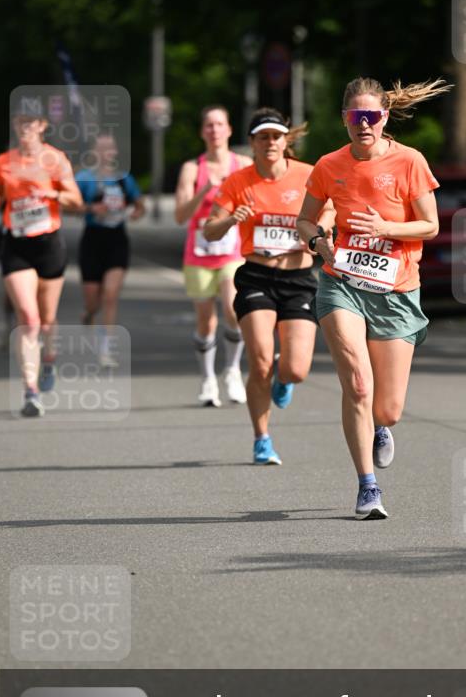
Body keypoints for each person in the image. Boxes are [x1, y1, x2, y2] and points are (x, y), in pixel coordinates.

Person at [297, 77, 450, 519]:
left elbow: (430, 226)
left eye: (371, 116)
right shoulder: (329, 165)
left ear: (384, 117)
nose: (363, 124)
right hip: (341, 282)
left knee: (389, 407)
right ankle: (367, 486)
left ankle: (381, 427)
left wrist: (385, 229)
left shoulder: (410, 162)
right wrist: (317, 243)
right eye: (354, 117)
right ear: (344, 119)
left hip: (396, 290)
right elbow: (305, 221)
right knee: (357, 384)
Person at [204, 108, 334, 465]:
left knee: (296, 369)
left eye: (277, 136)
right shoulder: (238, 181)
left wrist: (322, 228)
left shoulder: (308, 175)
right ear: (252, 143)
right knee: (260, 360)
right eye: (263, 137)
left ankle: (284, 377)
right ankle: (262, 438)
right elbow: (208, 230)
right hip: (257, 276)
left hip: (299, 278)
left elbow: (330, 209)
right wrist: (232, 219)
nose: (270, 143)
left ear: (286, 140)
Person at [0, 105, 83, 416]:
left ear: (41, 126)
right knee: (28, 317)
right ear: (15, 125)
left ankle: (49, 359)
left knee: (48, 318)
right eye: (20, 122)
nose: (25, 127)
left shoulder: (55, 159)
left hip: (48, 243)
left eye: (31, 122)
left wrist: (53, 195)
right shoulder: (3, 162)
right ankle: (31, 391)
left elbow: (76, 201)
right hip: (15, 244)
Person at [175, 105, 251, 406]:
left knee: (233, 308)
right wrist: (205, 188)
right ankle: (208, 379)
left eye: (220, 124)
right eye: (209, 125)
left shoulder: (242, 163)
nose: (214, 130)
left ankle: (232, 370)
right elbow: (180, 216)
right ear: (202, 131)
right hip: (199, 252)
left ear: (229, 130)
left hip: (232, 250)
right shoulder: (192, 169)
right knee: (206, 322)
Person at [74, 133, 145, 367]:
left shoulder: (124, 178)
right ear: (94, 152)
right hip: (92, 240)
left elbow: (139, 204)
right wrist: (92, 208)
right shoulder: (84, 178)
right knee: (93, 300)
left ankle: (105, 349)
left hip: (117, 239)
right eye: (101, 148)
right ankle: (88, 314)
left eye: (109, 148)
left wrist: (136, 213)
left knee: (111, 295)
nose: (106, 153)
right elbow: (69, 206)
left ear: (115, 152)